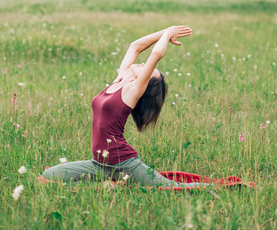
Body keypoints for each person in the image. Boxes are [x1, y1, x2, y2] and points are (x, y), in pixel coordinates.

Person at [42, 26, 207, 188]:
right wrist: (164, 33)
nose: (143, 65)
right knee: (48, 177)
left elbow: (156, 54)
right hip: (99, 163)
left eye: (148, 71)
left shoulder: (132, 92)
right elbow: (135, 47)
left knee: (172, 186)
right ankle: (110, 184)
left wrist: (169, 32)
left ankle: (207, 188)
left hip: (123, 162)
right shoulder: (120, 79)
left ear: (145, 82)